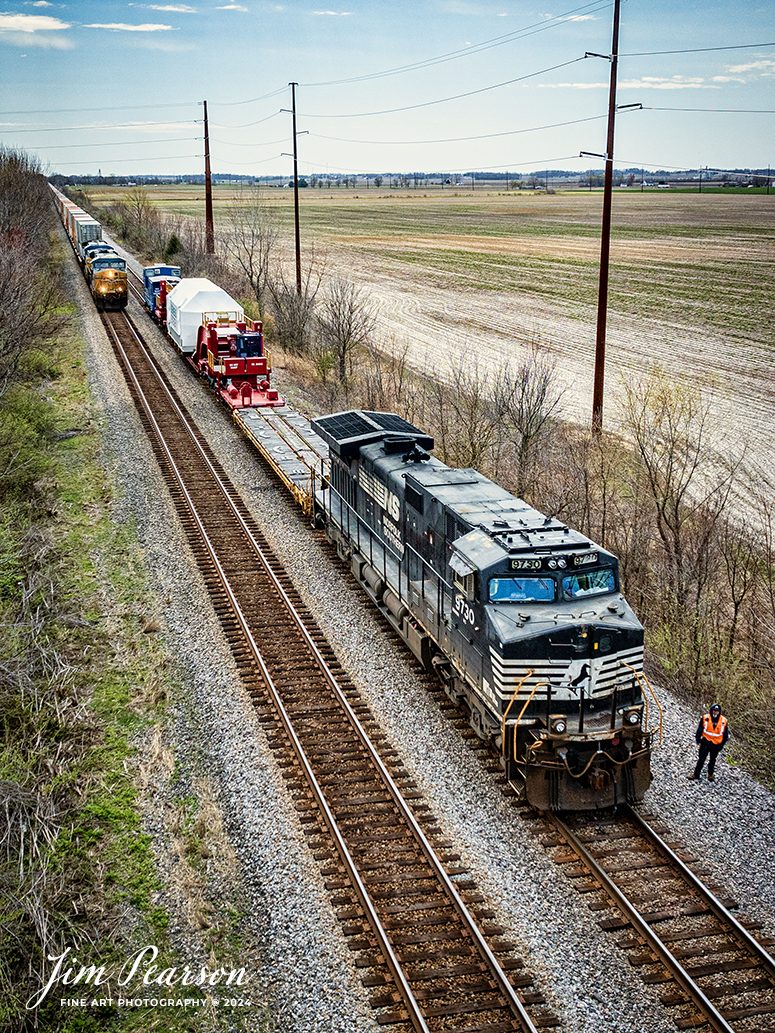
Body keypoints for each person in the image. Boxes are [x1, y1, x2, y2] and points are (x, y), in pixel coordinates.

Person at [689, 703, 729, 782]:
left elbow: (725, 735)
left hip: (716, 745)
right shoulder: (705, 718)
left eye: (717, 711)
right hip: (705, 743)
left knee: (712, 760)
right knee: (701, 759)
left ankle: (710, 774)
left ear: (719, 712)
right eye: (714, 711)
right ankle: (696, 774)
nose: (715, 712)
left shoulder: (724, 721)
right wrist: (698, 740)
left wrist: (721, 745)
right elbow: (700, 729)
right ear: (711, 710)